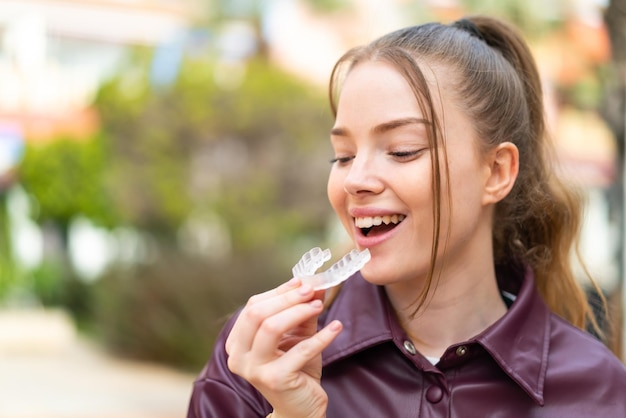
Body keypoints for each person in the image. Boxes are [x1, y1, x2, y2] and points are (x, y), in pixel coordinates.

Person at [187, 15, 626, 417]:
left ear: (496, 171)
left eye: (402, 151)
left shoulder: (597, 391)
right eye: (342, 156)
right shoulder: (258, 360)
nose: (355, 179)